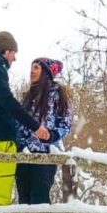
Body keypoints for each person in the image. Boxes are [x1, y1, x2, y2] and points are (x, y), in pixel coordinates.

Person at [0, 31, 50, 208]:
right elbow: (7, 102)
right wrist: (35, 126)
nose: (14, 59)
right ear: (5, 51)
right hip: (0, 139)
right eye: (14, 53)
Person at [15, 57, 73, 205]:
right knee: (23, 200)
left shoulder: (58, 95)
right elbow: (18, 123)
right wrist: (19, 143)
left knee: (39, 199)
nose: (32, 71)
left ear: (45, 72)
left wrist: (52, 135)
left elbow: (66, 124)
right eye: (31, 67)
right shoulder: (27, 96)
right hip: (24, 153)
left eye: (36, 68)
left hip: (45, 154)